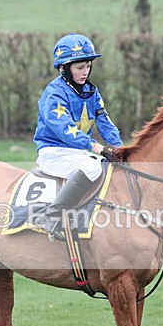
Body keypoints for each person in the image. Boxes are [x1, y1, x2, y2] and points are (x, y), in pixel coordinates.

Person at [32, 33, 123, 238]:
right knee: (92, 167)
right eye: (79, 67)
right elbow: (65, 130)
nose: (85, 72)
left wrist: (118, 147)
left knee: (109, 167)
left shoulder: (91, 91)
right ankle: (51, 215)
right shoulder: (54, 93)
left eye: (88, 66)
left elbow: (105, 121)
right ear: (64, 69)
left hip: (77, 152)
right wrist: (96, 146)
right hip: (54, 151)